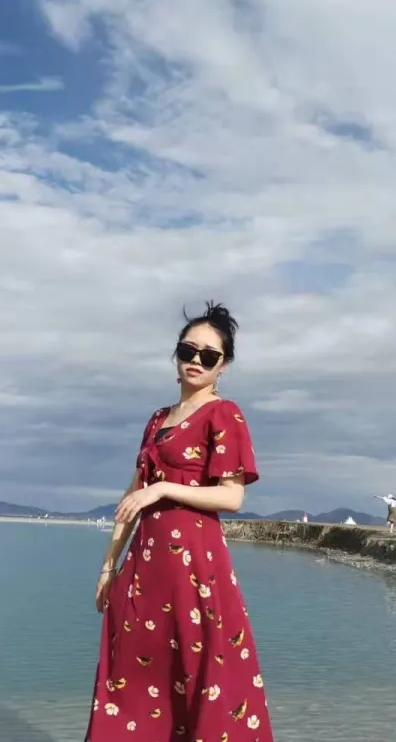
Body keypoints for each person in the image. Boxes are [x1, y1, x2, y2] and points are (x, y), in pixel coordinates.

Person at [85, 301, 273, 742]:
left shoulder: (223, 414)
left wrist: (164, 489)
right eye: (188, 350)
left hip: (195, 570)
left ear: (223, 365)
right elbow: (132, 498)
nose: (196, 361)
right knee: (131, 681)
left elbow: (232, 496)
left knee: (197, 675)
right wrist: (109, 565)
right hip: (144, 569)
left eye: (209, 355)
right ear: (176, 354)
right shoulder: (157, 420)